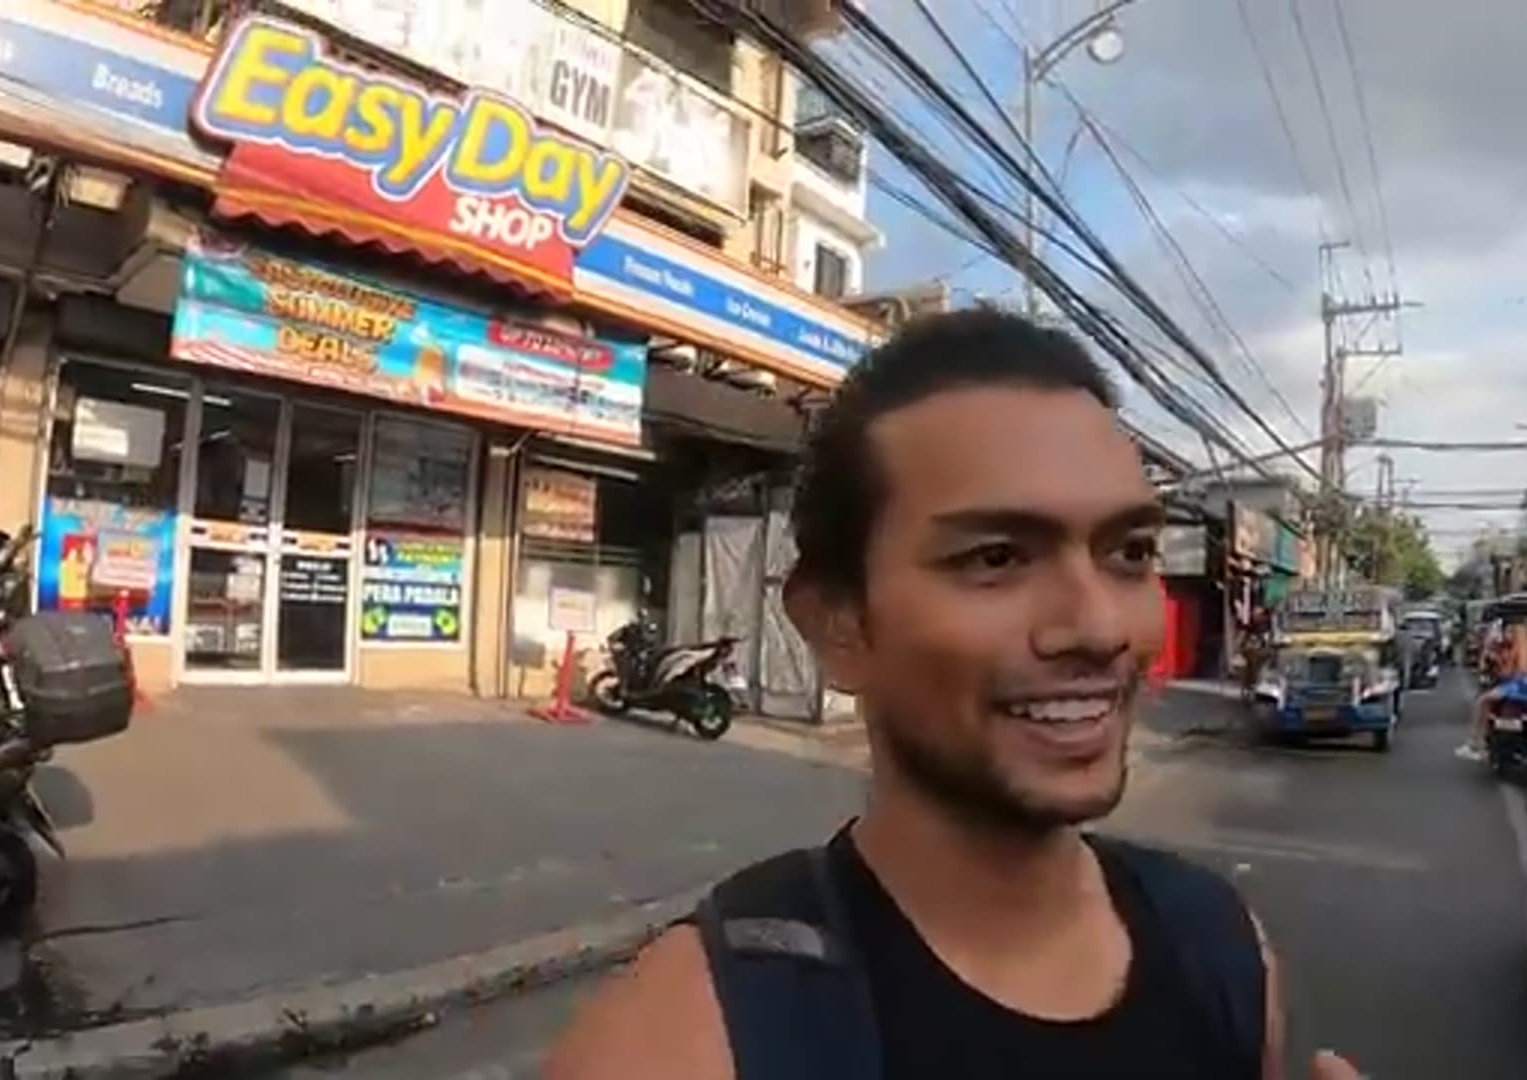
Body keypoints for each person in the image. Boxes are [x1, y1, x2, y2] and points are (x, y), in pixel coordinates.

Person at [546, 310, 1360, 1080]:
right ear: (838, 625)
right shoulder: (690, 1039)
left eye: (1129, 551)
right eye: (997, 558)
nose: (1097, 625)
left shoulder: (1222, 948)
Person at [1458, 620, 1527, 761]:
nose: (1506, 635)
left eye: (1509, 632)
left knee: (1483, 701)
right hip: (1518, 686)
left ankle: (1476, 743)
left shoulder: (1523, 649)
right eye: (1505, 631)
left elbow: (1516, 672)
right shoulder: (1516, 648)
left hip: (1518, 687)